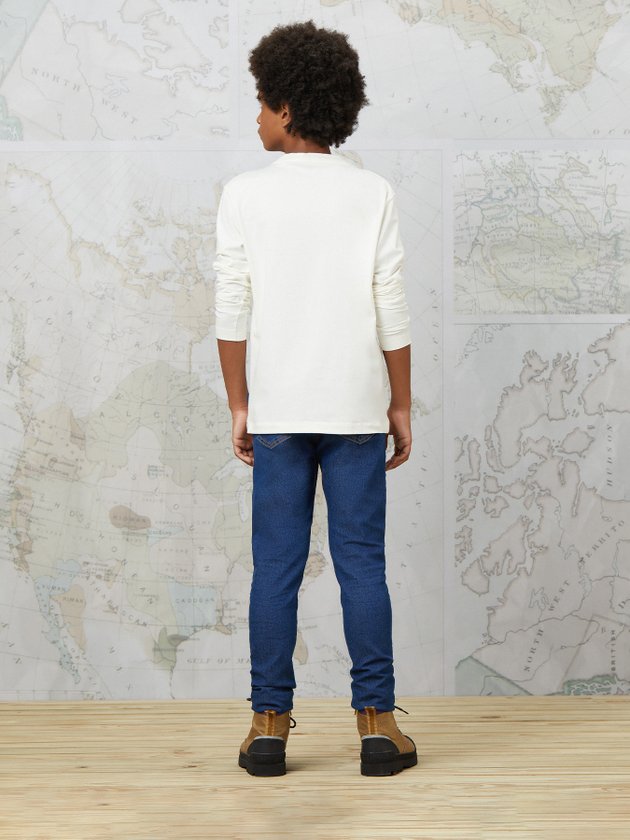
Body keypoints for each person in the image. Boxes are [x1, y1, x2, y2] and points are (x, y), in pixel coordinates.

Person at [213, 19, 417, 777]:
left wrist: (240, 405)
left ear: (290, 107)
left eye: (262, 101)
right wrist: (400, 405)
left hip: (279, 412)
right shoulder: (371, 192)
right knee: (362, 565)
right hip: (355, 410)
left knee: (276, 568)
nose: (256, 116)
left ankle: (268, 729)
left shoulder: (244, 195)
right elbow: (390, 306)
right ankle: (378, 728)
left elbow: (232, 308)